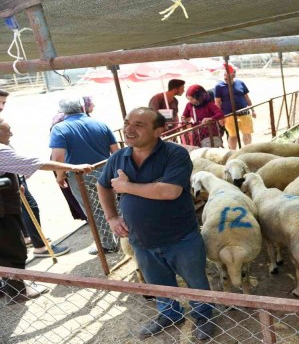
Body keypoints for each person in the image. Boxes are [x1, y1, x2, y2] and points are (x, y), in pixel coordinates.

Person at [97, 107, 216, 340]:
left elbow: (170, 191)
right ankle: (170, 314)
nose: (129, 129)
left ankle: (203, 315)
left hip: (181, 237)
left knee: (196, 281)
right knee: (157, 283)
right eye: (127, 122)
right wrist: (111, 217)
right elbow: (103, 185)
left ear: (159, 130)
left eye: (139, 125)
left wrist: (126, 187)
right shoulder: (118, 157)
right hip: (141, 239)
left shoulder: (175, 154)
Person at [0, 115, 93, 303]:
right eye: (7, 130)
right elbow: (39, 164)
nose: (11, 134)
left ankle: (7, 287)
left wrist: (12, 183)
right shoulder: (1, 151)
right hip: (3, 209)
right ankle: (17, 292)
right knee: (13, 248)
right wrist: (73, 167)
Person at [50, 97, 120, 255]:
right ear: (81, 108)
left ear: (62, 112)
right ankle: (124, 237)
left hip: (81, 176)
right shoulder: (99, 123)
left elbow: (58, 156)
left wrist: (60, 176)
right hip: (105, 170)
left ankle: (107, 244)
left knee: (93, 209)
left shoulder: (59, 128)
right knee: (114, 204)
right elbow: (115, 151)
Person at [214, 66, 255, 149]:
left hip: (244, 112)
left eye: (228, 75)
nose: (226, 77)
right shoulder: (219, 86)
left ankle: (247, 150)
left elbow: (247, 98)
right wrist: (220, 117)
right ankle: (232, 152)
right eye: (225, 75)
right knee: (233, 135)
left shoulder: (241, 83)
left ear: (234, 76)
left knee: (247, 133)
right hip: (229, 115)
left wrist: (253, 110)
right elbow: (217, 103)